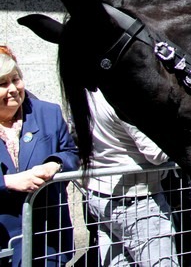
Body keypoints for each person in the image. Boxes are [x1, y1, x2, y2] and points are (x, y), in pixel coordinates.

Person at [81, 89, 179, 266]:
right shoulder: (123, 95)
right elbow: (156, 154)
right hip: (135, 201)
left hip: (101, 196)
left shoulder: (88, 91)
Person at [0, 49, 80, 267]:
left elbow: (73, 153)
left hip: (46, 239)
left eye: (16, 79)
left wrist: (55, 164)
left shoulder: (48, 113)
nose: (13, 89)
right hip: (4, 238)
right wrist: (8, 181)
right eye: (3, 84)